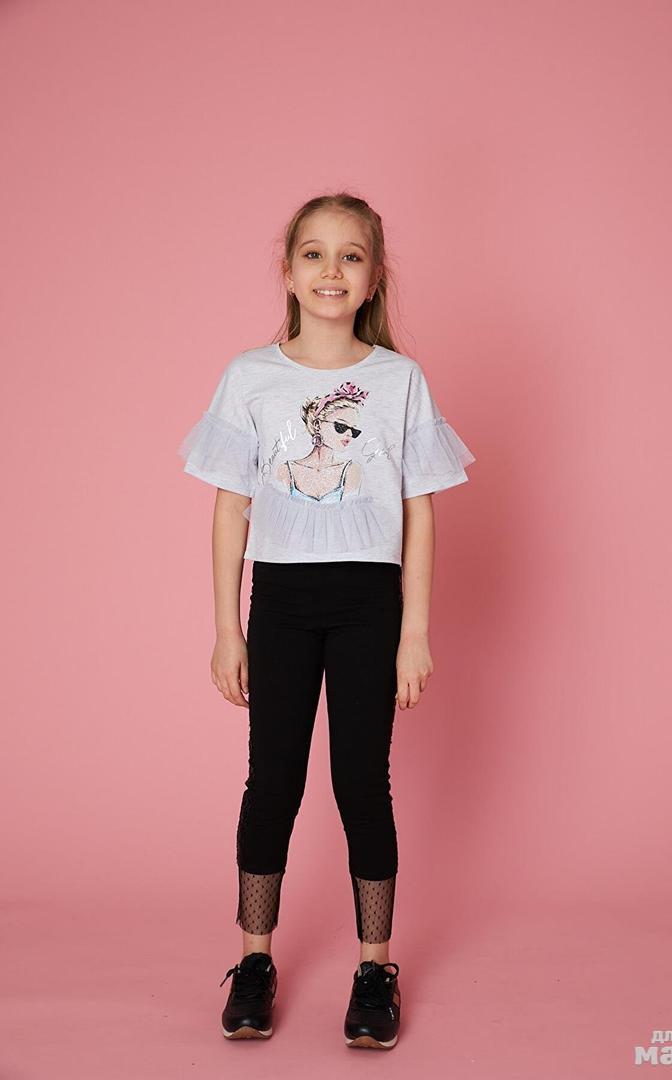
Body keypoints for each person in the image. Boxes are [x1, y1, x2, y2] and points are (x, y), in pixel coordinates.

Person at [177, 192, 475, 1050]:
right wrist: (227, 628)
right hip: (279, 601)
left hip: (369, 605)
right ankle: (255, 961)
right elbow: (230, 510)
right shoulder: (251, 377)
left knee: (360, 782)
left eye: (351, 256)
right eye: (314, 253)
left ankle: (375, 968)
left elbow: (420, 511)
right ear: (288, 270)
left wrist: (414, 633)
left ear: (374, 276)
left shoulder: (399, 381)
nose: (331, 271)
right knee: (271, 780)